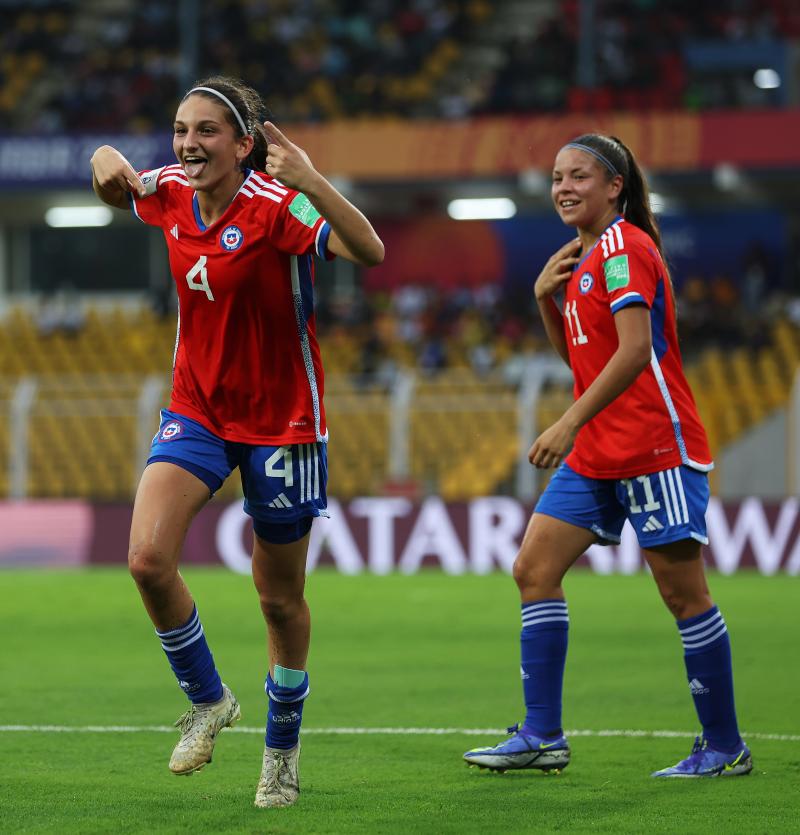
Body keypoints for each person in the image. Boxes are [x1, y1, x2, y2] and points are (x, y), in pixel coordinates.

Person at [90, 76, 384, 808]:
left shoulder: (278, 209)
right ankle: (208, 699)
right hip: (198, 408)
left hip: (284, 422)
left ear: (244, 144)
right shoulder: (167, 189)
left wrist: (312, 176)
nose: (188, 144)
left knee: (279, 601)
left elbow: (369, 250)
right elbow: (117, 186)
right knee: (147, 560)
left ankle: (281, 751)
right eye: (181, 129)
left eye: (207, 131)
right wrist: (100, 156)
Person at [463, 134, 752, 778]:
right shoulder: (585, 258)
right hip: (598, 452)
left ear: (614, 185)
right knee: (533, 568)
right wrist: (545, 299)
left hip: (653, 446)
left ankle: (726, 747)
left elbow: (631, 354)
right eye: (557, 178)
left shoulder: (625, 247)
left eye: (579, 177)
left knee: (684, 596)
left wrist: (567, 421)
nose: (563, 188)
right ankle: (543, 735)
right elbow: (583, 360)